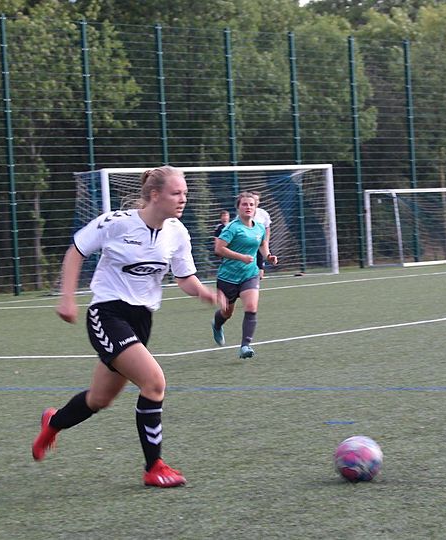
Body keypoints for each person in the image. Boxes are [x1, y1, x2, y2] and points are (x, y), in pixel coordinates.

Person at [32, 166, 225, 488]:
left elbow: (183, 277)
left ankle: (53, 422)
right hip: (107, 314)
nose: (183, 199)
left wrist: (203, 292)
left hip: (141, 319)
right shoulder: (117, 223)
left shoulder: (177, 232)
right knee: (154, 382)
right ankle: (154, 467)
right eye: (176, 193)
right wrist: (67, 299)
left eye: (185, 193)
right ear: (155, 195)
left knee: (99, 399)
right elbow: (76, 251)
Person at [211, 192, 278, 359]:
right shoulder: (232, 228)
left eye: (251, 205)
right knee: (227, 313)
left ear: (255, 208)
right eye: (244, 204)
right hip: (228, 277)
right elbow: (219, 249)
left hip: (250, 275)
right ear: (238, 208)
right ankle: (217, 325)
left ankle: (245, 346)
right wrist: (241, 257)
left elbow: (262, 244)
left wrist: (268, 256)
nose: (248, 207)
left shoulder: (259, 227)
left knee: (251, 307)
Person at [252, 192, 272, 279]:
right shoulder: (243, 215)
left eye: (257, 200)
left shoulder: (263, 213)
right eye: (253, 199)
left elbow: (267, 228)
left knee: (260, 273)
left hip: (259, 243)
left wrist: (266, 242)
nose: (255, 201)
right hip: (247, 246)